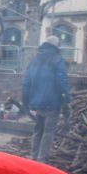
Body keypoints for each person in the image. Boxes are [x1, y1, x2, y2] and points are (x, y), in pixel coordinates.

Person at [21, 35, 70, 163]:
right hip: (52, 103)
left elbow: (26, 81)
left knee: (37, 130)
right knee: (48, 132)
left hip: (36, 104)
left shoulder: (34, 60)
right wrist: (66, 98)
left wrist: (26, 101)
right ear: (56, 46)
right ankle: (42, 159)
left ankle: (33, 156)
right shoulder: (57, 59)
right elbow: (62, 80)